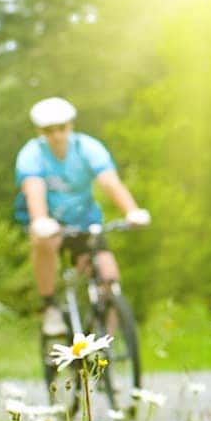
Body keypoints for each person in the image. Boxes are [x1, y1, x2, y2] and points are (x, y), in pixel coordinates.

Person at [14, 97, 150, 336]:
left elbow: (110, 182)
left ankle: (104, 345)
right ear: (40, 132)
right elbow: (34, 189)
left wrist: (131, 211)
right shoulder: (31, 154)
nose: (56, 135)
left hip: (85, 219)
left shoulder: (88, 147)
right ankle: (49, 308)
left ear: (71, 125)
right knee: (44, 241)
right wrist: (40, 221)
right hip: (50, 221)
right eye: (49, 130)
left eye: (62, 128)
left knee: (109, 277)